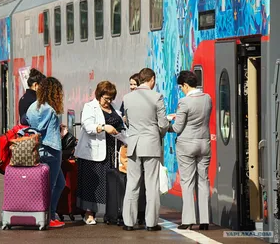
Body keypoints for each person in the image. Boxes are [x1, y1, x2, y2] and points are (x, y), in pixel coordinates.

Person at [122, 68, 169, 231]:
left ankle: (128, 222)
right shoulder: (157, 97)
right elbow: (163, 124)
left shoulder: (127, 98)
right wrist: (160, 133)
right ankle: (151, 223)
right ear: (152, 79)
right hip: (151, 145)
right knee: (151, 184)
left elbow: (128, 122)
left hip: (133, 145)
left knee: (132, 183)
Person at [75, 81, 125, 225]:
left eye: (110, 98)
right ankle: (89, 213)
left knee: (110, 184)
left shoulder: (114, 108)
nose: (108, 101)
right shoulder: (89, 107)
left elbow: (121, 124)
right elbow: (87, 125)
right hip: (94, 152)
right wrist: (103, 127)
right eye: (106, 98)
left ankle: (111, 213)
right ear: (99, 95)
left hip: (112, 151)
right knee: (93, 184)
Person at [168, 71, 212, 230]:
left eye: (181, 87)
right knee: (203, 180)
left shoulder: (184, 102)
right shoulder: (207, 98)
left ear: (185, 85)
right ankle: (205, 220)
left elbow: (178, 127)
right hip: (204, 143)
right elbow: (200, 118)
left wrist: (167, 125)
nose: (181, 90)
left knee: (187, 182)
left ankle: (188, 220)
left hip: (187, 144)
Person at [26, 77, 66, 228]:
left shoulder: (32, 107)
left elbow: (32, 125)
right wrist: (59, 131)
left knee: (58, 183)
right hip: (52, 149)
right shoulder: (50, 109)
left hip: (38, 148)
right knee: (52, 184)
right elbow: (44, 128)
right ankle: (48, 216)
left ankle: (47, 213)